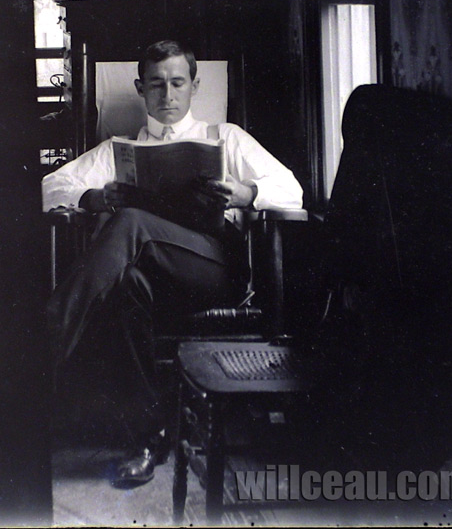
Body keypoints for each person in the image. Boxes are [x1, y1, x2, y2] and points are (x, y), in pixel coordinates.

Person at [44, 39, 303, 487]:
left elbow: (292, 189)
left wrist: (246, 193)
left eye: (178, 83)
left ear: (195, 87)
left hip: (214, 272)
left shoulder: (225, 137)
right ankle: (148, 439)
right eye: (157, 84)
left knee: (129, 223)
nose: (167, 95)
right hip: (149, 278)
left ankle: (39, 350)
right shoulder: (121, 150)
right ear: (140, 88)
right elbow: (50, 186)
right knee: (127, 285)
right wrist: (93, 196)